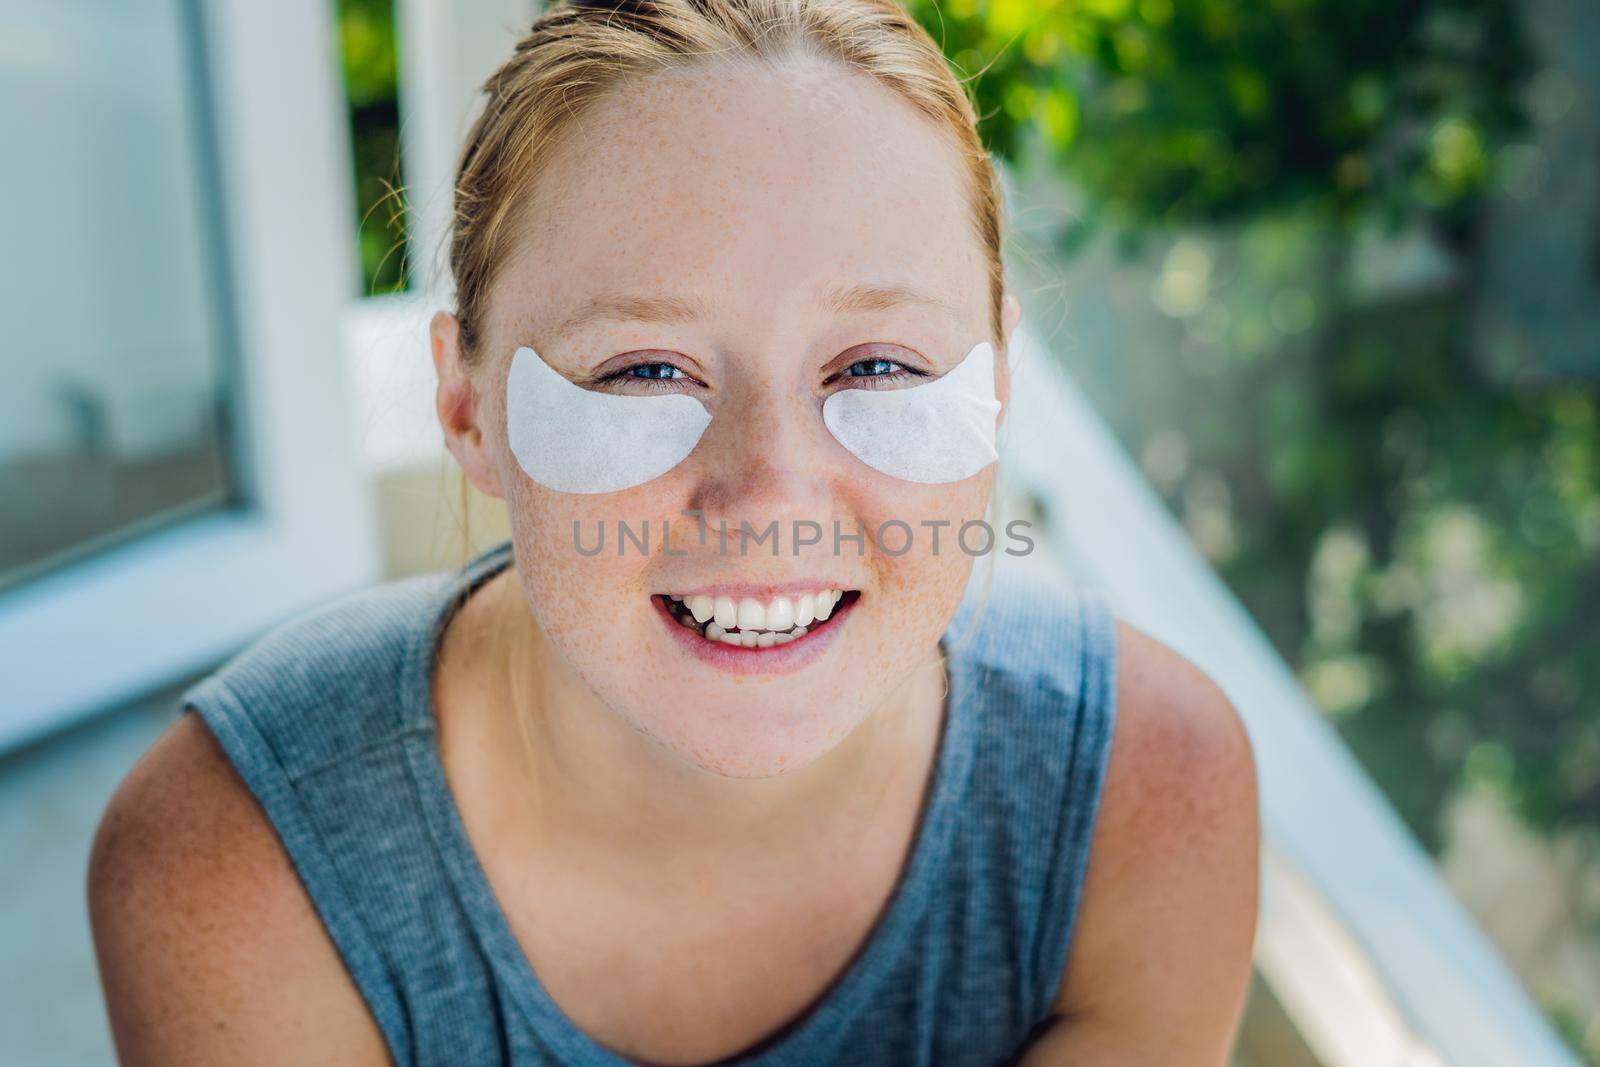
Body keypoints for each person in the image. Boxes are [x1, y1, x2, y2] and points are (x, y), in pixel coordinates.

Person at [87, 0, 1259, 1063]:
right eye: (645, 370)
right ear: (465, 406)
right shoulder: (234, 865)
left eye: (879, 364)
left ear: (998, 380)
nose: (767, 495)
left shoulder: (1147, 797)